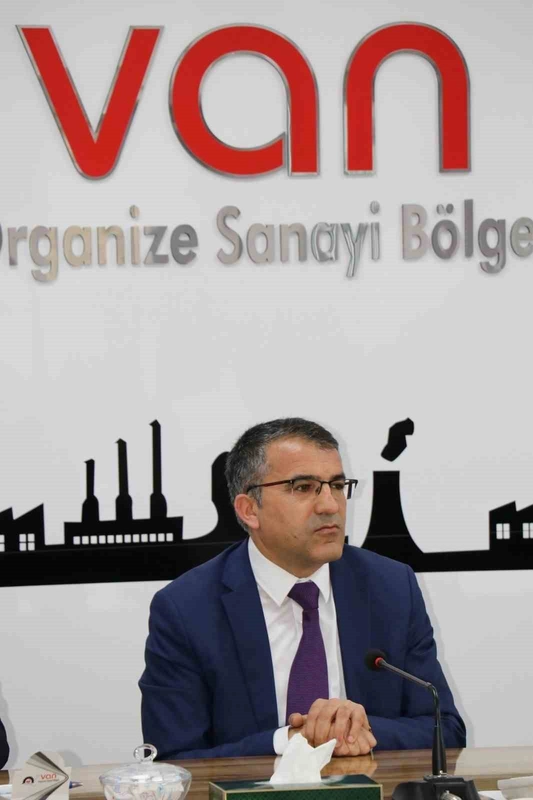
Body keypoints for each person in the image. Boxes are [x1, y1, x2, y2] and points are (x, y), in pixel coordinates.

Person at [140, 418, 466, 759]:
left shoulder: (392, 588)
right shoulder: (186, 610)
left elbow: (446, 729)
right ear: (249, 510)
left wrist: (353, 729)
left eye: (337, 485)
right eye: (303, 487)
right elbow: (173, 759)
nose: (330, 505)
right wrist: (290, 740)